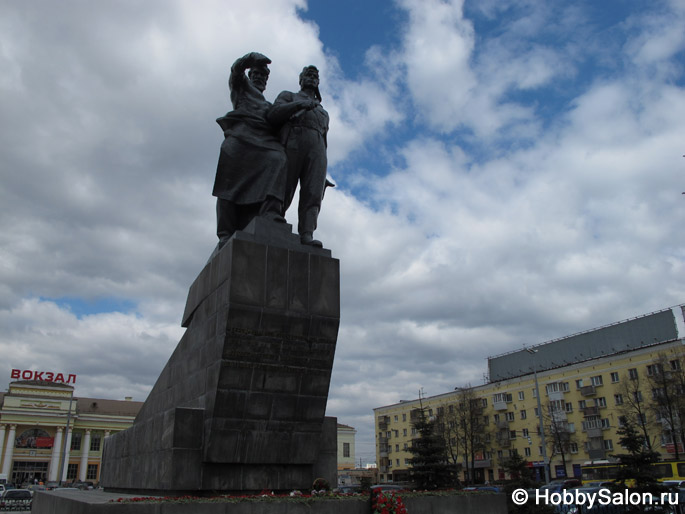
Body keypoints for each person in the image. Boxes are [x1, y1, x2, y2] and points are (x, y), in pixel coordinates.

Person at [212, 52, 287, 248]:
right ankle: (225, 233)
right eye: (257, 74)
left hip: (264, 142)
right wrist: (250, 58)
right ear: (250, 75)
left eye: (264, 76)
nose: (260, 78)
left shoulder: (269, 106)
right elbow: (236, 70)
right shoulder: (241, 88)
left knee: (279, 158)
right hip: (240, 138)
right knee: (228, 182)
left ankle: (270, 212)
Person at [268, 65, 330, 247]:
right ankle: (274, 219)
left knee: (313, 192)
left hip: (318, 148)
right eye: (307, 75)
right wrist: (299, 105)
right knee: (285, 184)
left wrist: (322, 170)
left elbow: (324, 138)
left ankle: (307, 233)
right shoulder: (289, 96)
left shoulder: (323, 112)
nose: (311, 78)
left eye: (315, 76)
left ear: (318, 82)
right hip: (294, 141)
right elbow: (273, 115)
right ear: (300, 80)